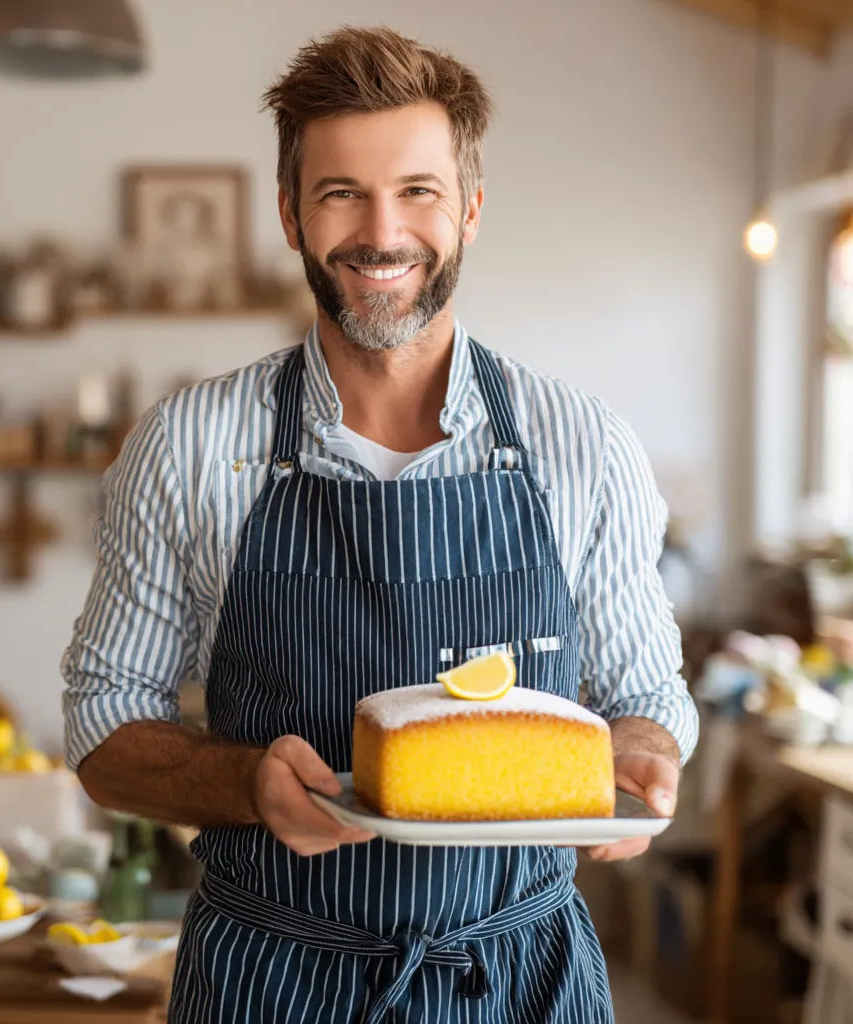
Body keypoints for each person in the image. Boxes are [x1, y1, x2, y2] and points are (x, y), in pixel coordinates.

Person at [61, 25, 699, 1023]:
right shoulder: (188, 446)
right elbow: (104, 727)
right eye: (339, 192)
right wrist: (245, 785)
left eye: (417, 190)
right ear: (289, 215)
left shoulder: (581, 445)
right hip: (270, 977)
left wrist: (640, 758)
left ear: (471, 208)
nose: (381, 231)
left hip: (518, 980)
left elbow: (643, 690)